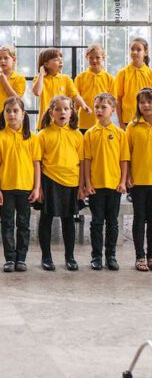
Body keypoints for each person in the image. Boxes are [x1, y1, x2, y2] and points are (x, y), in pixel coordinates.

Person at [0, 97, 41, 272]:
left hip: (25, 188)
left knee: (23, 224)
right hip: (6, 188)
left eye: (15, 111)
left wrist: (36, 188)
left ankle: (21, 258)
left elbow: (37, 164)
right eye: (8, 111)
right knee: (6, 223)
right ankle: (9, 258)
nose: (11, 114)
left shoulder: (32, 138)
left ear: (23, 114)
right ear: (3, 114)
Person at [37, 95, 84, 271]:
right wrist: (39, 188)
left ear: (71, 112)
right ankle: (46, 257)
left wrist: (81, 186)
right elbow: (38, 163)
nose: (62, 112)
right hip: (50, 180)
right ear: (51, 112)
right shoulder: (43, 135)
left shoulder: (77, 135)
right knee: (46, 219)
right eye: (57, 109)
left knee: (68, 220)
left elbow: (82, 162)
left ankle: (70, 257)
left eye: (66, 108)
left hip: (71, 182)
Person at [82, 92, 129, 270]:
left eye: (104, 107)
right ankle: (96, 257)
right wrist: (88, 182)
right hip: (96, 186)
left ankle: (111, 256)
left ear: (113, 110)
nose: (99, 110)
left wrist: (123, 181)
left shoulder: (119, 134)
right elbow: (87, 160)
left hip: (114, 185)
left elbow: (124, 160)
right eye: (97, 107)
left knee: (112, 222)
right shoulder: (90, 134)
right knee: (96, 222)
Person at [125, 87, 152, 271]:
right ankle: (139, 256)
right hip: (139, 181)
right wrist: (127, 176)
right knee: (139, 218)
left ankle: (151, 255)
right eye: (142, 102)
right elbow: (126, 154)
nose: (146, 105)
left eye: (149, 101)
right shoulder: (132, 126)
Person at [32, 47, 90, 122]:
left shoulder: (66, 79)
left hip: (62, 121)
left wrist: (83, 105)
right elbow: (37, 92)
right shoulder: (39, 78)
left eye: (61, 59)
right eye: (56, 60)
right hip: (46, 122)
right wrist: (41, 74)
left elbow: (75, 95)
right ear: (46, 64)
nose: (60, 61)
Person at [74, 44, 115, 133]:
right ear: (86, 57)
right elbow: (75, 102)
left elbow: (112, 102)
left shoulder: (109, 78)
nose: (94, 60)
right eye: (91, 58)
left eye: (98, 57)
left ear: (103, 57)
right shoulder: (80, 78)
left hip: (103, 123)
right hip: (83, 123)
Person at [115, 38, 152, 128]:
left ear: (145, 52)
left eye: (138, 50)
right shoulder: (122, 73)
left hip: (147, 120)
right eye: (132, 49)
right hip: (127, 120)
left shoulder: (150, 73)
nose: (134, 52)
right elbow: (118, 99)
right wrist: (121, 123)